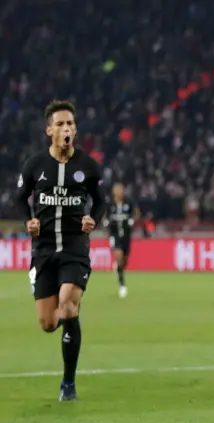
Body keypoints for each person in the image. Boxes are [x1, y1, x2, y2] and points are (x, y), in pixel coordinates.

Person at [15, 100, 106, 401]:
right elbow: (19, 198)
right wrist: (28, 220)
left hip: (74, 250)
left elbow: (101, 201)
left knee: (68, 304)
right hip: (43, 252)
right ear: (49, 130)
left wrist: (96, 218)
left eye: (70, 124)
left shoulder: (87, 166)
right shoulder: (35, 166)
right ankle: (53, 300)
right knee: (48, 323)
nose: (67, 129)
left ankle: (68, 383)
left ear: (75, 129)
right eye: (61, 125)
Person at [106, 182, 139, 298]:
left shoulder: (129, 202)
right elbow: (105, 215)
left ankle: (118, 267)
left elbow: (136, 213)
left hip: (126, 235)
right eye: (117, 190)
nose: (119, 192)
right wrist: (105, 222)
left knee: (124, 261)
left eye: (121, 190)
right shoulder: (110, 204)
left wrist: (132, 220)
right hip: (114, 234)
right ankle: (122, 286)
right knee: (119, 255)